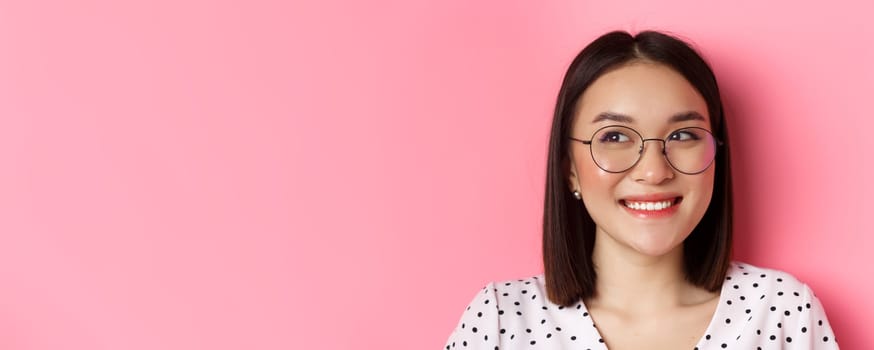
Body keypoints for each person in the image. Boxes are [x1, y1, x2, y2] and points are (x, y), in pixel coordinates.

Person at [443, 30, 838, 349]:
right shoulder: (500, 319)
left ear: (717, 156)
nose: (653, 171)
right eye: (614, 136)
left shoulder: (782, 311)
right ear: (570, 171)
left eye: (683, 134)